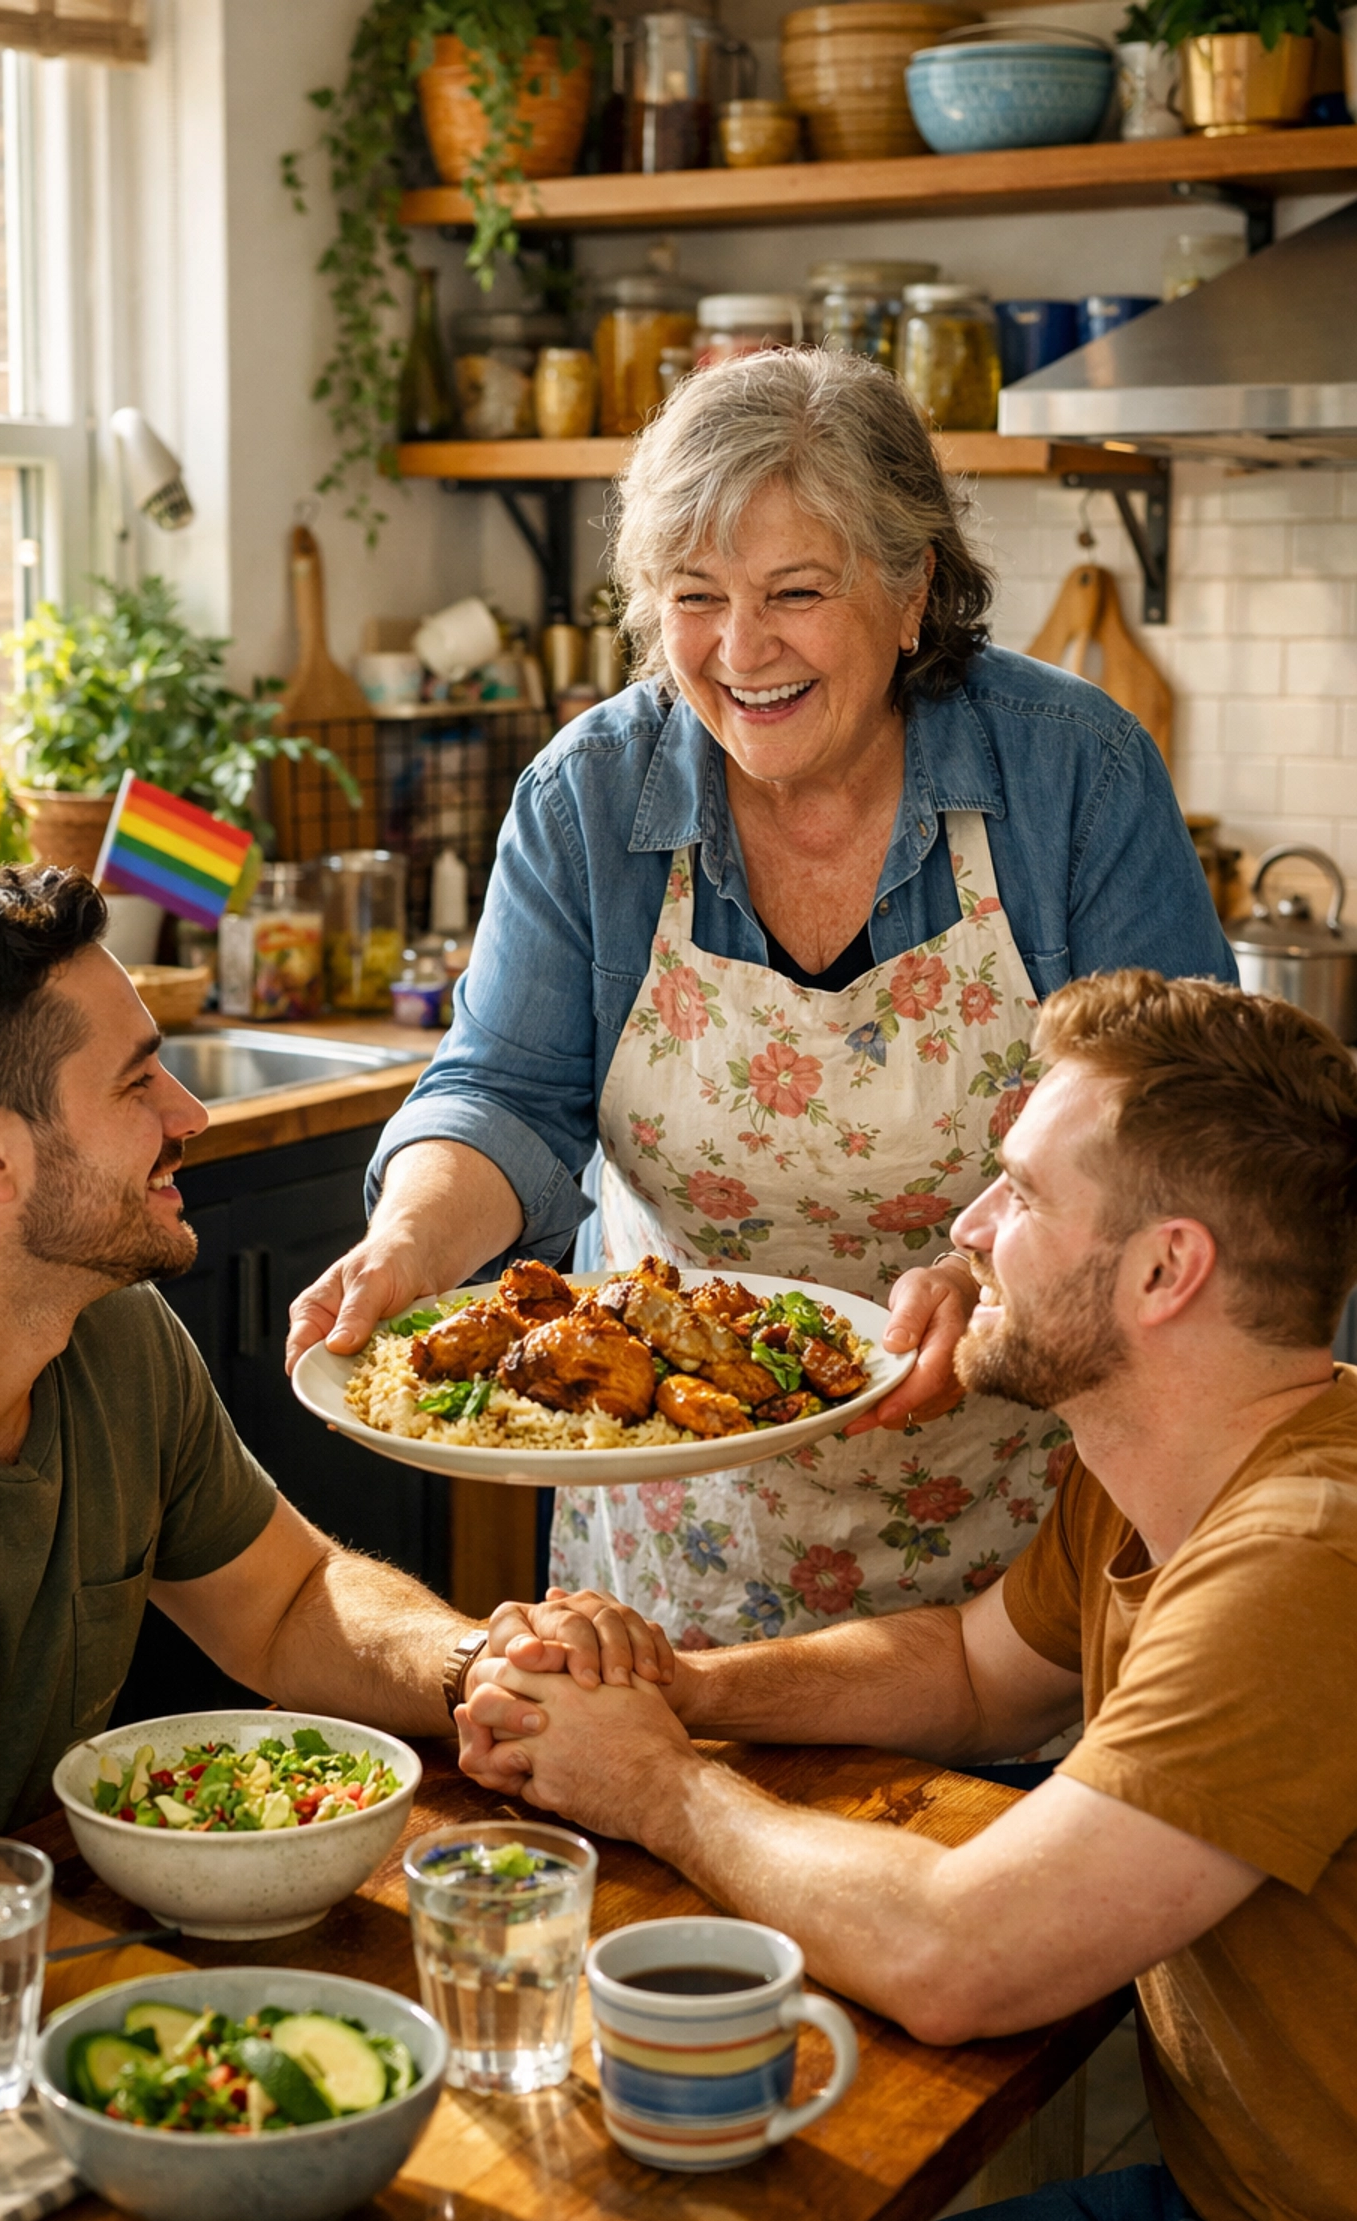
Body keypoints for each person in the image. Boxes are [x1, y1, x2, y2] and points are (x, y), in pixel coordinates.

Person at [287, 348, 1234, 1648]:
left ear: (912, 594)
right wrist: (407, 1243)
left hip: (1026, 1555)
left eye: (797, 592)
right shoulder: (592, 799)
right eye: (696, 597)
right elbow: (502, 1091)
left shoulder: (1073, 776)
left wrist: (995, 1276)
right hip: (675, 1546)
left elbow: (1181, 1130)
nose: (741, 650)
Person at [458, 970, 1357, 2221]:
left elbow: (960, 1955)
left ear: (1168, 1269)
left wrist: (656, 1780)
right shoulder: (1155, 1464)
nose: (969, 1227)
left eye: (1022, 1193)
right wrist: (676, 1683)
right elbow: (973, 1674)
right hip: (1211, 2220)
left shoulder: (1302, 1556)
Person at [0, 868, 672, 1965]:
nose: (192, 1115)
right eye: (137, 1086)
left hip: (22, 1966)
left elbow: (288, 1601)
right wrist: (143, 1943)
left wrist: (474, 1666)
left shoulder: (107, 1331)